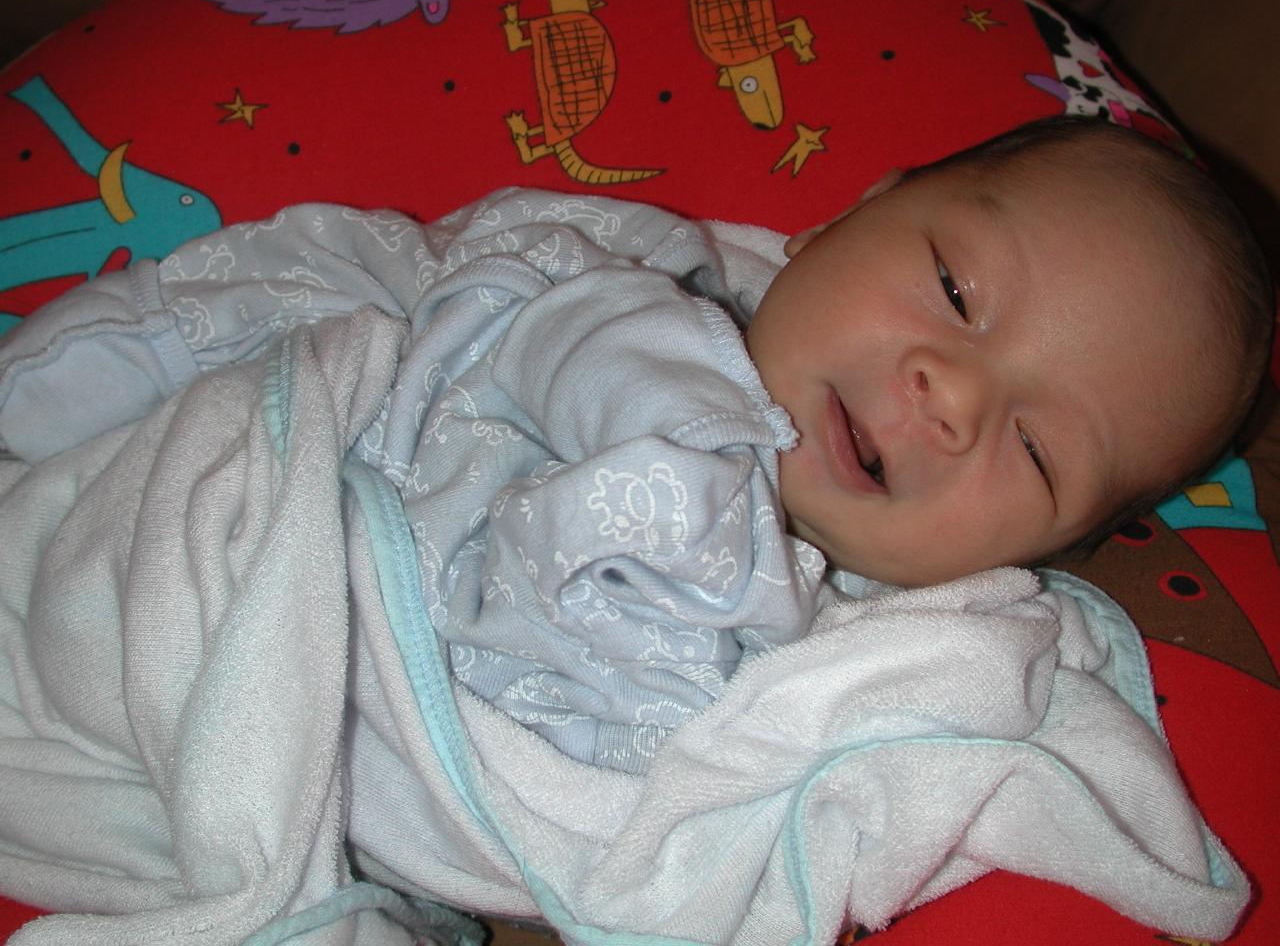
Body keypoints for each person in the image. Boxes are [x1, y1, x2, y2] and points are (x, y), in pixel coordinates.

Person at [0, 116, 1271, 776]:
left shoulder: (864, 672)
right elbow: (341, 279)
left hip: (312, 789)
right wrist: (139, 352)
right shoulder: (596, 272)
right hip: (194, 540)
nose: (951, 399)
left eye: (1036, 452)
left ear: (1050, 549)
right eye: (952, 288)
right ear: (851, 212)